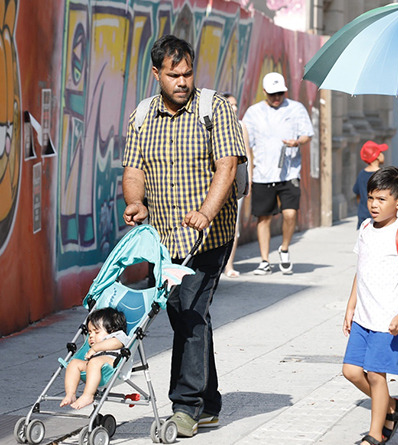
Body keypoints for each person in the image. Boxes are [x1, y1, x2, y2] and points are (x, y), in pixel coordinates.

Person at [122, 35, 246, 437]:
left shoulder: (215, 110)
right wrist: (136, 202)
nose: (182, 81)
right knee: (187, 313)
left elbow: (226, 166)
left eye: (188, 73)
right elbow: (134, 169)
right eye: (173, 75)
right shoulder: (142, 116)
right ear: (156, 74)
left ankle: (186, 406)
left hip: (209, 236)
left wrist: (207, 212)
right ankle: (209, 402)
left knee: (189, 310)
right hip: (165, 239)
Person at [343, 167, 398, 445]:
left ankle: (375, 435)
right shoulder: (364, 228)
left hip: (388, 320)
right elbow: (359, 270)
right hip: (363, 316)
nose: (374, 205)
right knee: (351, 371)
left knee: (376, 375)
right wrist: (351, 306)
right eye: (371, 198)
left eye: (382, 199)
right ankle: (392, 406)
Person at [243, 72, 315, 275]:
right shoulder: (253, 112)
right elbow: (247, 144)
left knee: (290, 213)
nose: (277, 97)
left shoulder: (295, 108)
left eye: (280, 93)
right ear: (264, 92)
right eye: (273, 94)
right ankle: (264, 260)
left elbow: (307, 133)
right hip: (263, 174)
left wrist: (297, 141)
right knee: (263, 218)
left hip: (289, 171)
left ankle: (284, 248)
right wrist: (247, 174)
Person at [61, 307, 129, 409]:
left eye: (96, 332)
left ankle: (88, 395)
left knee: (94, 362)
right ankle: (70, 394)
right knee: (74, 363)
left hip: (110, 363)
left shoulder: (118, 335)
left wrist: (95, 349)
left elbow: (116, 343)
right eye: (89, 333)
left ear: (112, 330)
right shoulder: (94, 346)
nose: (91, 336)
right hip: (94, 365)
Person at [221, 93, 251, 278]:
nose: (233, 108)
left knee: (234, 225)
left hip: (236, 184)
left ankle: (229, 265)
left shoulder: (241, 126)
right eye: (228, 105)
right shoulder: (214, 125)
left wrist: (248, 181)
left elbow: (247, 155)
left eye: (234, 104)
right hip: (218, 184)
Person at [353, 140, 388, 228]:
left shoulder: (361, 174)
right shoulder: (382, 174)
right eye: (381, 152)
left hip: (363, 215)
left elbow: (358, 195)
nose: (383, 154)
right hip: (379, 216)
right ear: (377, 156)